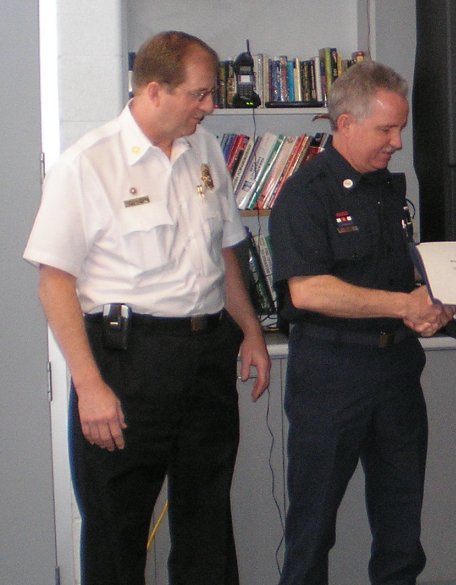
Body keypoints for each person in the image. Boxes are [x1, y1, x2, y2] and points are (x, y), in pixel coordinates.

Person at [23, 31, 272, 584]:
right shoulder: (87, 164)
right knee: (117, 528)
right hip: (128, 361)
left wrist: (250, 331)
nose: (210, 107)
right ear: (156, 91)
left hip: (207, 356)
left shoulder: (204, 150)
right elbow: (54, 282)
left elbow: (224, 251)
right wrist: (89, 386)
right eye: (200, 94)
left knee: (208, 522)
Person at [269, 60, 454, 585]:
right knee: (313, 527)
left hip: (395, 372)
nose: (397, 142)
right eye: (386, 129)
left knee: (401, 524)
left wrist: (436, 304)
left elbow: (400, 278)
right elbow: (308, 290)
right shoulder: (306, 194)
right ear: (345, 124)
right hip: (332, 375)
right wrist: (403, 305)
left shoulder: (387, 190)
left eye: (401, 128)